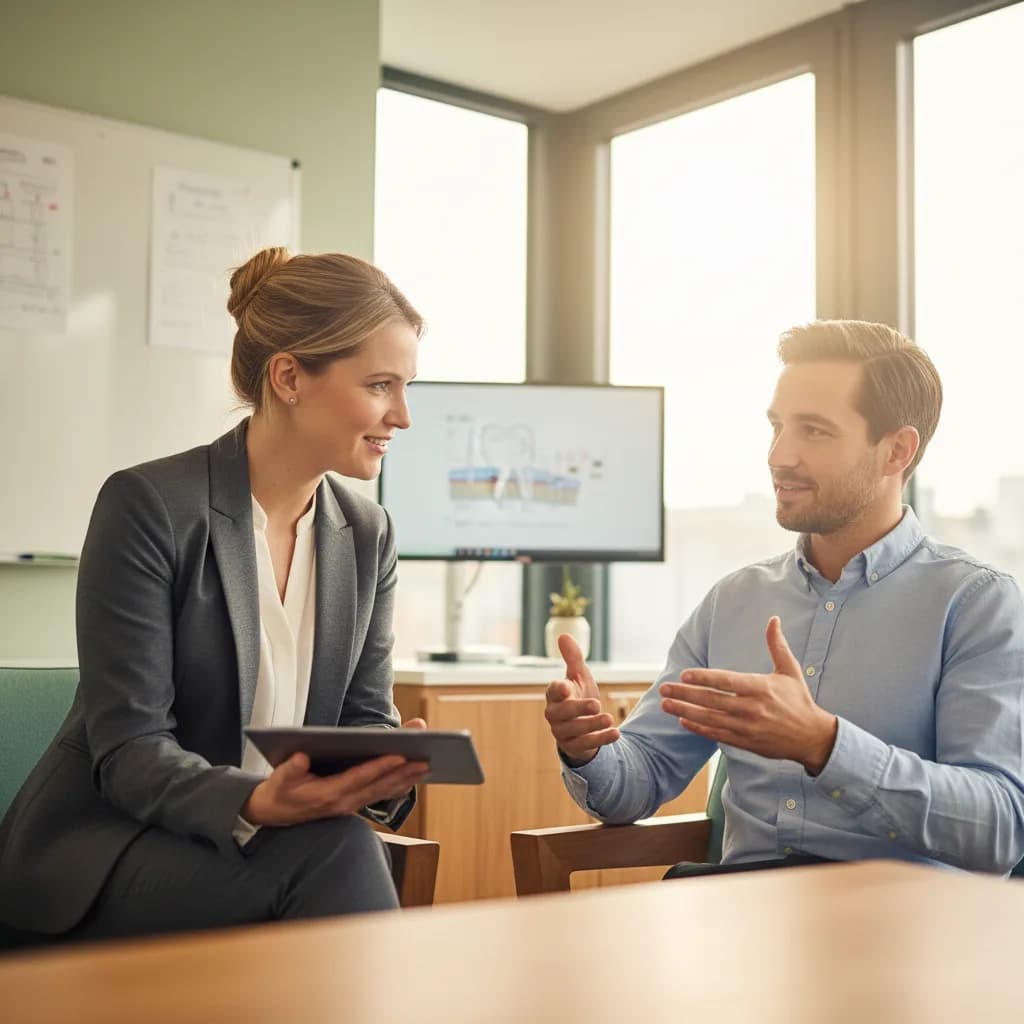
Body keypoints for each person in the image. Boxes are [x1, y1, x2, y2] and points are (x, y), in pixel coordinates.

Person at [0, 247, 429, 942]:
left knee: (344, 846)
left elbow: (362, 718)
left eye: (407, 387)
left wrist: (384, 767)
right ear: (289, 376)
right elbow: (131, 751)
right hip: (109, 851)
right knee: (341, 853)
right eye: (381, 385)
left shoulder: (367, 534)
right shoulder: (150, 506)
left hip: (265, 849)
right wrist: (258, 799)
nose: (403, 416)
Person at [545, 320, 1024, 877]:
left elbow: (1001, 829)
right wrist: (590, 749)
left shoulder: (974, 603)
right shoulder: (734, 601)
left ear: (897, 450)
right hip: (742, 921)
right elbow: (637, 783)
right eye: (777, 426)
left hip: (904, 938)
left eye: (814, 431)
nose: (779, 455)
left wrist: (825, 745)